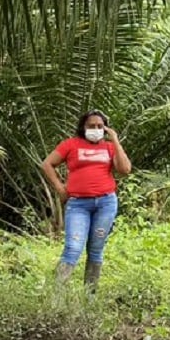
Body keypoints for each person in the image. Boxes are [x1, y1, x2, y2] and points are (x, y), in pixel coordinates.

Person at [40, 110, 132, 292]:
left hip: (105, 203)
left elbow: (125, 169)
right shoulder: (71, 145)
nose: (95, 129)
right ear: (83, 127)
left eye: (100, 126)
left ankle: (89, 296)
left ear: (105, 128)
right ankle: (55, 296)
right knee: (73, 248)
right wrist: (60, 189)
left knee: (96, 249)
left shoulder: (109, 147)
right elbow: (47, 164)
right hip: (78, 205)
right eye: (91, 126)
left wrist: (115, 140)